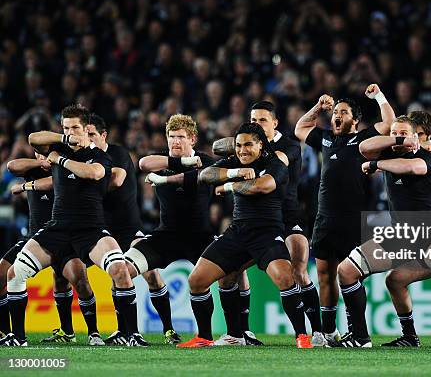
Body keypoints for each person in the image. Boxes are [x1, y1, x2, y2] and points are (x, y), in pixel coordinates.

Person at [1, 104, 143, 347]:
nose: (70, 132)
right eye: (66, 127)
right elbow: (33, 138)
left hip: (91, 228)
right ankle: (19, 338)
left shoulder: (99, 155)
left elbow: (93, 173)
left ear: (87, 129)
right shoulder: (58, 146)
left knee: (119, 269)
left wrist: (60, 159)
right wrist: (63, 139)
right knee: (15, 273)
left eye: (75, 127)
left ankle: (131, 335)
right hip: (58, 227)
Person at [331, 122, 431, 349]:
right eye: (394, 133)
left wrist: (376, 164)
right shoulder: (390, 151)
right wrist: (397, 140)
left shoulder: (427, 157)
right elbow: (363, 147)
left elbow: (412, 168)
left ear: (415, 138)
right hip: (399, 234)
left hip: (428, 233)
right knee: (347, 271)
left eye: (404, 133)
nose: (399, 137)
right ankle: (364, 337)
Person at [175, 123, 312, 349]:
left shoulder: (275, 163)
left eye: (248, 144)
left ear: (260, 145)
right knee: (196, 281)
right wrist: (233, 173)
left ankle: (302, 336)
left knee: (286, 278)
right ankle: (209, 337)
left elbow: (263, 186)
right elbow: (206, 175)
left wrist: (229, 186)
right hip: (237, 232)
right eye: (238, 145)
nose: (242, 150)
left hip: (267, 233)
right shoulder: (235, 163)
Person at [211, 101, 325, 346]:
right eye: (253, 120)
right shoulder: (247, 143)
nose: (256, 124)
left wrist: (233, 174)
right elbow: (215, 147)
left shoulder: (289, 147)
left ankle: (317, 332)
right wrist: (241, 145)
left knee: (298, 270)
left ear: (275, 123)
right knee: (233, 270)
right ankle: (241, 333)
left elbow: (276, 162)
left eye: (262, 120)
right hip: (256, 219)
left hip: (288, 216)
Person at [294, 84, 394, 342]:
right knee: (325, 275)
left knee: (351, 275)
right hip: (325, 219)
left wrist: (379, 97)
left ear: (356, 119)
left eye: (344, 112)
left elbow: (390, 124)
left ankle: (356, 330)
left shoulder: (364, 140)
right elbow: (300, 129)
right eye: (336, 112)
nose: (337, 115)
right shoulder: (326, 138)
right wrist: (318, 107)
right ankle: (328, 331)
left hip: (353, 221)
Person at [87, 114, 181, 345]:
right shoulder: (83, 160)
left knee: (152, 274)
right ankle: (123, 330)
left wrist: (83, 180)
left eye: (92, 135)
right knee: (114, 274)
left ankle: (168, 329)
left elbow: (116, 181)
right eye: (85, 134)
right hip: (100, 229)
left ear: (103, 136)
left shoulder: (116, 154)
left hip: (129, 228)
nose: (87, 139)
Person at [122, 114, 215, 343]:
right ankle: (133, 333)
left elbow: (199, 176)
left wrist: (165, 179)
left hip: (201, 238)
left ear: (192, 139)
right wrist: (179, 162)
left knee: (233, 275)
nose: (175, 142)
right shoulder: (164, 161)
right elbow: (143, 163)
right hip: (167, 236)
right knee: (123, 269)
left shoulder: (206, 161)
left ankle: (226, 334)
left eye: (181, 137)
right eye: (171, 137)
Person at [5, 154, 103, 345]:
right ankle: (10, 334)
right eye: (39, 153)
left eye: (47, 153)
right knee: (7, 273)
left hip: (66, 236)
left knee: (78, 279)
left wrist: (26, 186)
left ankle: (93, 332)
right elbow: (12, 166)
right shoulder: (32, 169)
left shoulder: (66, 169)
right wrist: (39, 163)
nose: (44, 157)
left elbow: (51, 183)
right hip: (36, 238)